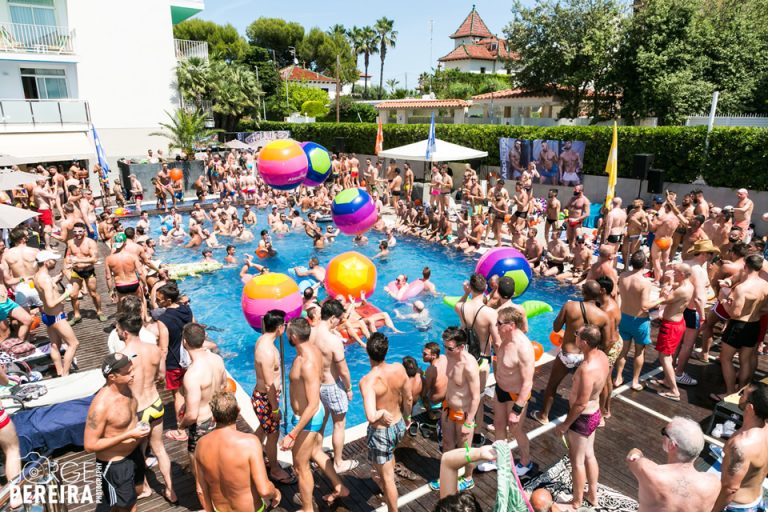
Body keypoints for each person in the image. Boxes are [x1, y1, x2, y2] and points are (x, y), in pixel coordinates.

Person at [280, 318, 348, 510]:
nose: (286, 334)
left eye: (288, 332)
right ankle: (340, 487)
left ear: (294, 336)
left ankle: (308, 508)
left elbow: (312, 404)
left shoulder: (307, 363)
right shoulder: (313, 350)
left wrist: (292, 434)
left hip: (307, 418)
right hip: (308, 416)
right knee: (316, 451)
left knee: (300, 467)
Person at [116, 312, 176, 503]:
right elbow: (162, 375)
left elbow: (118, 387)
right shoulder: (154, 349)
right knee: (159, 448)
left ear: (125, 333)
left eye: (117, 329)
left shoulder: (123, 357)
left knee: (137, 452)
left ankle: (146, 488)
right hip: (155, 403)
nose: (116, 331)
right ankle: (171, 489)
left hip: (138, 410)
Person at [533, 281, 609, 424]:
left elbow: (556, 328)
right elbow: (606, 342)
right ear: (599, 294)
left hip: (568, 354)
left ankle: (544, 415)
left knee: (552, 385)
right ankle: (598, 417)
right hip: (586, 356)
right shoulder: (603, 316)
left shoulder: (570, 306)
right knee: (593, 389)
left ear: (583, 292)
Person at [84, 353, 150, 512]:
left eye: (132, 369)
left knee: (136, 493)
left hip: (134, 454)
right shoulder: (101, 406)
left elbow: (128, 418)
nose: (133, 374)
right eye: (127, 372)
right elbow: (89, 445)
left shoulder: (126, 387)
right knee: (126, 507)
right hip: (115, 464)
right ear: (112, 377)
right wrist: (129, 435)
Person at [554, 324, 609, 509]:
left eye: (577, 334)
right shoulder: (602, 356)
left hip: (582, 418)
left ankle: (576, 501)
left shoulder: (587, 369)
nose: (574, 335)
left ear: (584, 342)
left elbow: (580, 403)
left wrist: (565, 425)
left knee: (577, 462)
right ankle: (592, 495)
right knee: (589, 455)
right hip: (594, 413)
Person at [195, 392, 281, 512]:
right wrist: (276, 493)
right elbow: (265, 490)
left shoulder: (201, 445)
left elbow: (201, 490)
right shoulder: (250, 443)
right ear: (238, 411)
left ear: (213, 417)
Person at [360, 333, 413, 512]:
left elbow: (371, 416)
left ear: (368, 353)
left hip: (381, 433)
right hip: (398, 425)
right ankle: (385, 478)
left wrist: (381, 411)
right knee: (388, 459)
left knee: (387, 479)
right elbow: (409, 398)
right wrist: (408, 418)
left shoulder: (367, 381)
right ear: (386, 351)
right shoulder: (399, 368)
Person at [626, 416, 719, 512]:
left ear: (671, 445)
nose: (663, 435)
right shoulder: (713, 484)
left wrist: (636, 452)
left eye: (664, 432)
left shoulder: (649, 471)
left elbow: (632, 456)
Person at [178, 322, 227, 497]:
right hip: (218, 416)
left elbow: (192, 415)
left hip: (202, 423)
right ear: (203, 339)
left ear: (185, 342)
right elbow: (224, 386)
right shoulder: (217, 359)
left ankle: (205, 496)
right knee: (218, 457)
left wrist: (181, 427)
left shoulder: (192, 374)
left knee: (198, 466)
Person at [429, 327, 481, 493]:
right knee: (447, 445)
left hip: (463, 414)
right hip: (447, 409)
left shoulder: (469, 366)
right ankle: (447, 476)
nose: (446, 351)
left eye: (450, 348)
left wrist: (469, 422)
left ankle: (468, 478)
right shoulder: (448, 357)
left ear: (461, 347)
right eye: (444, 346)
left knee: (465, 451)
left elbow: (476, 397)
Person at [313, 300, 358, 473]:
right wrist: (349, 388)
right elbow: (343, 370)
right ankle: (338, 463)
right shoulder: (333, 341)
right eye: (339, 319)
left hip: (316, 384)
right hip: (332, 385)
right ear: (332, 318)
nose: (339, 322)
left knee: (321, 422)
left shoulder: (311, 333)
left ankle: (316, 454)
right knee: (339, 424)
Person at [251, 310, 295, 484]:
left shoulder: (262, 340)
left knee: (264, 428)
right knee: (273, 434)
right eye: (284, 325)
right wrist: (275, 409)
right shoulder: (267, 351)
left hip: (263, 396)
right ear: (279, 327)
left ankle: (251, 452)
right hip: (266, 399)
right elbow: (269, 385)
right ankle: (275, 469)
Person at [455, 273, 501, 433]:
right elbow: (497, 342)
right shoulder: (490, 313)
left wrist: (466, 293)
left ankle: (460, 428)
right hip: (482, 359)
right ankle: (476, 433)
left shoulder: (461, 307)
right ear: (485, 287)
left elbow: (459, 303)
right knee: (478, 399)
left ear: (470, 287)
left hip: (465, 357)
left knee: (464, 395)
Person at [717, 255, 768, 399]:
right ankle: (740, 392)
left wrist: (723, 300)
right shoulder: (765, 285)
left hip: (738, 326)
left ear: (745, 267)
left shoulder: (741, 288)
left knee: (725, 359)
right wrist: (755, 311)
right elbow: (766, 308)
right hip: (754, 325)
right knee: (745, 361)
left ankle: (729, 392)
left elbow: (735, 314)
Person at [712, 381, 768, 512]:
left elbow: (730, 489)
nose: (739, 396)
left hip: (737, 506)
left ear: (750, 408)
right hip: (756, 497)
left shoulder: (741, 445)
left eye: (743, 394)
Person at [493, 307, 535, 475]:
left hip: (515, 396)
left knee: (515, 429)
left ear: (511, 325)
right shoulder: (505, 337)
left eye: (499, 323)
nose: (496, 326)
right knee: (498, 425)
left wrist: (517, 410)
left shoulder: (523, 348)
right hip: (500, 390)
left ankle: (526, 462)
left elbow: (527, 383)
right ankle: (500, 459)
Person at [647, 264, 694, 401]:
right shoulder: (688, 285)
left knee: (664, 357)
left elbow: (663, 300)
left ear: (683, 275)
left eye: (676, 272)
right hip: (677, 323)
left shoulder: (682, 290)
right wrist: (670, 283)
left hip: (671, 326)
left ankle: (674, 391)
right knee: (669, 355)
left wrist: (665, 284)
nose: (674, 273)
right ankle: (668, 381)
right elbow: (674, 289)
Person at [156, 283, 194, 442]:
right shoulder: (187, 310)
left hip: (174, 362)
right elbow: (194, 329)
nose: (156, 303)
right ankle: (193, 418)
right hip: (190, 357)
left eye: (159, 300)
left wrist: (160, 371)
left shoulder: (163, 320)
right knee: (190, 391)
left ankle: (181, 429)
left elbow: (163, 348)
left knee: (178, 395)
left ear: (168, 300)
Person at [614, 251, 655, 391]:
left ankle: (618, 377)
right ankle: (635, 381)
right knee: (639, 352)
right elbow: (645, 306)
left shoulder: (623, 276)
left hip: (624, 317)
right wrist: (662, 299)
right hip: (639, 321)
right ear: (645, 263)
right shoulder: (645, 283)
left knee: (623, 350)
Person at [34, 251, 79, 376]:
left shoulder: (37, 276)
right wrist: (67, 293)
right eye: (53, 260)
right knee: (74, 344)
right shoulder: (46, 279)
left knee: (55, 346)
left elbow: (47, 287)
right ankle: (65, 374)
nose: (55, 261)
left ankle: (59, 372)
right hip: (57, 317)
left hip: (48, 316)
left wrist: (60, 274)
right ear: (46, 262)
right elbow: (51, 303)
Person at [66, 222, 107, 323]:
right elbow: (68, 255)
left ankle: (99, 312)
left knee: (93, 293)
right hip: (76, 271)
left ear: (84, 231)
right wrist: (68, 262)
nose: (77, 234)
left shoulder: (90, 242)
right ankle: (77, 315)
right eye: (75, 232)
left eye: (80, 231)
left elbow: (94, 259)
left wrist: (78, 260)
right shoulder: (70, 242)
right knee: (73, 295)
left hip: (88, 271)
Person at [423, 342, 448, 419]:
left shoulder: (430, 370)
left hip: (434, 401)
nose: (422, 356)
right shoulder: (444, 357)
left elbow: (425, 392)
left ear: (434, 355)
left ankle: (431, 415)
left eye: (425, 354)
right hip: (445, 396)